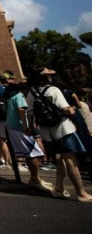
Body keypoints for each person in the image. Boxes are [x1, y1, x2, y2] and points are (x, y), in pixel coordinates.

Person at [26, 67, 92, 203]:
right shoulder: (53, 90)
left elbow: (30, 113)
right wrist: (72, 109)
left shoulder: (30, 93)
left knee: (60, 158)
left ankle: (59, 188)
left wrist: (29, 128)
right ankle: (81, 193)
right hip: (62, 128)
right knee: (70, 160)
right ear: (45, 78)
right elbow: (65, 109)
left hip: (46, 132)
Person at [2, 82, 55, 194]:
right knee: (33, 152)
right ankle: (35, 179)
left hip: (11, 127)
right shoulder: (19, 96)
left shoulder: (8, 98)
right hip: (20, 127)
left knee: (27, 153)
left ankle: (35, 178)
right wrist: (26, 125)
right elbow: (21, 109)